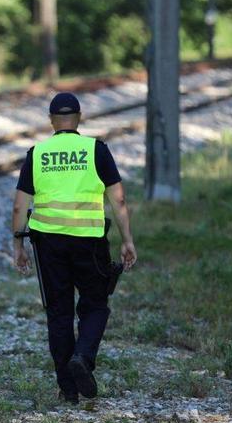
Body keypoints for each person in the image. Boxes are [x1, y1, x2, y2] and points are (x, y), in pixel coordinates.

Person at [11, 92, 137, 404]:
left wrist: (18, 244)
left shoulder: (37, 153)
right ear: (79, 118)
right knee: (96, 304)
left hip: (47, 242)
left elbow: (19, 206)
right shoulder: (96, 150)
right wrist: (127, 239)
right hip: (89, 241)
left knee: (58, 311)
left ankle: (67, 388)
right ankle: (82, 357)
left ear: (52, 121)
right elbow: (118, 199)